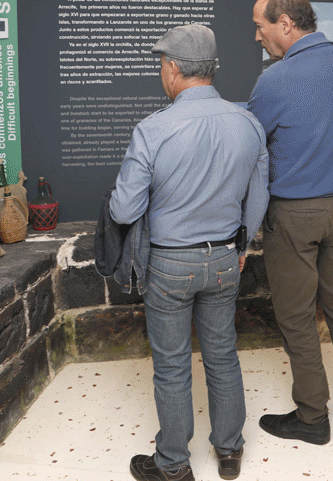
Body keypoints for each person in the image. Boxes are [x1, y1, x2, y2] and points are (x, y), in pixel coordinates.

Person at [110, 24, 269, 481]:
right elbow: (258, 196)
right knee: (222, 354)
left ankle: (174, 464)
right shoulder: (248, 122)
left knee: (173, 364)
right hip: (224, 259)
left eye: (163, 65)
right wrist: (243, 244)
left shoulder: (153, 128)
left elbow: (124, 209)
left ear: (173, 69)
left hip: (169, 263)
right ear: (211, 68)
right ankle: (230, 451)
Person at [247, 0, 333, 447]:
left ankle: (312, 417)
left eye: (260, 27)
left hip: (296, 214)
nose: (257, 37)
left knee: (297, 316)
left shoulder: (276, 79)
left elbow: (251, 139)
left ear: (284, 24)